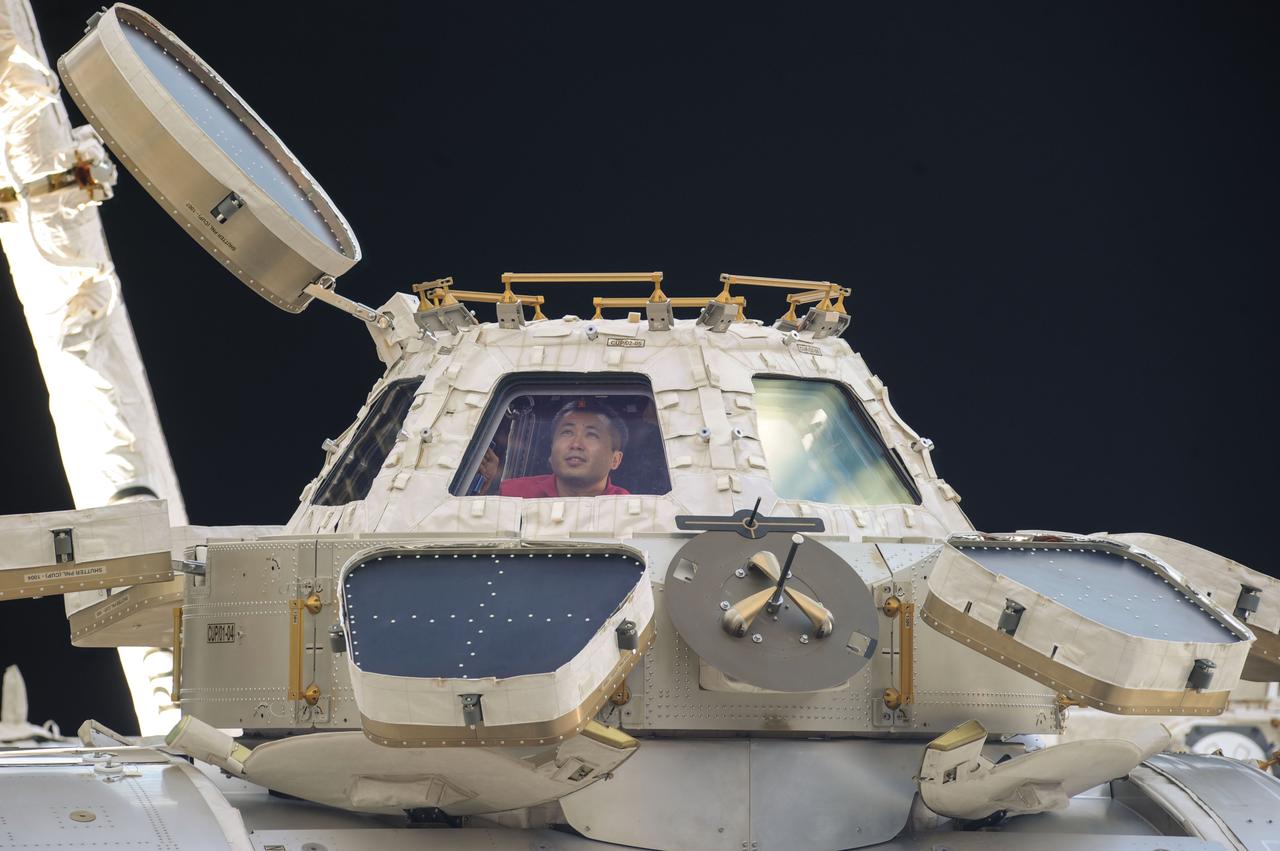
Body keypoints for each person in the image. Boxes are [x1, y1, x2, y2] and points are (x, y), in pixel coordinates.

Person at [495, 399, 630, 497]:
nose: (576, 444)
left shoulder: (629, 510)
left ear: (615, 460)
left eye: (591, 435)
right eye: (567, 432)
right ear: (551, 451)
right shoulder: (511, 495)